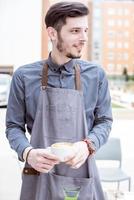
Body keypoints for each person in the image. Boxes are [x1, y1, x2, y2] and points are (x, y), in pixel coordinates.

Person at [6, 1, 113, 200]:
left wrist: (87, 145)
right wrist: (28, 153)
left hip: (82, 174)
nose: (84, 39)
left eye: (85, 31)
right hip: (39, 175)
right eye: (75, 31)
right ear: (52, 33)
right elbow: (13, 126)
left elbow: (104, 121)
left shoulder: (96, 75)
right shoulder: (23, 76)